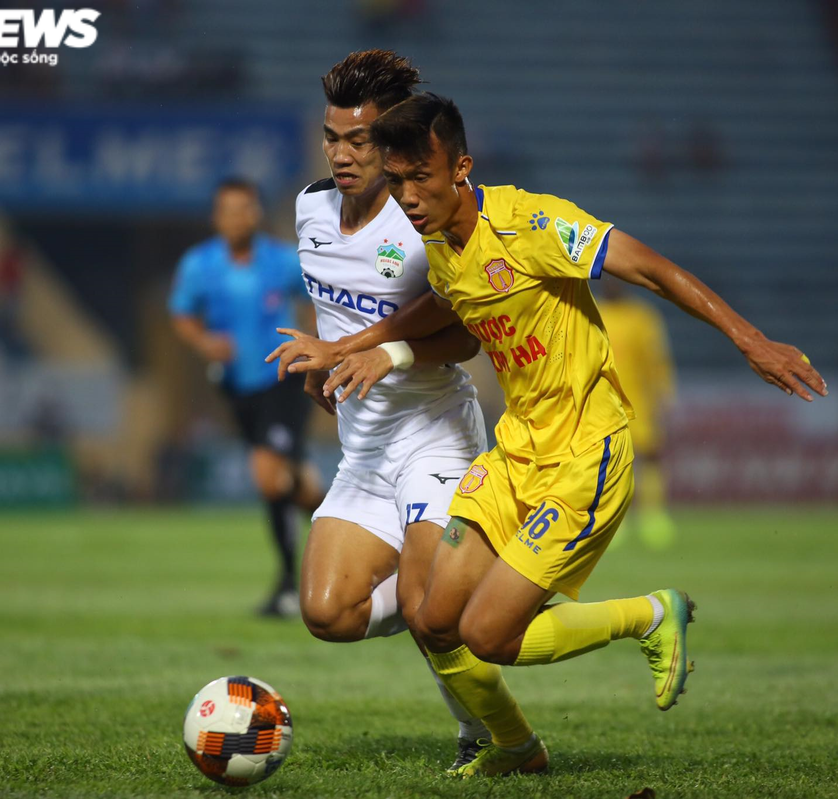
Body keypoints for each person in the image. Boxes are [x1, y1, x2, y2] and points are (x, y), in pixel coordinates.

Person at [271, 92, 828, 777]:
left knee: (487, 634)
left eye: (421, 178)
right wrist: (352, 348)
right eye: (399, 180)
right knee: (433, 620)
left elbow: (650, 268)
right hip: (515, 452)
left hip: (584, 456)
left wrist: (751, 339)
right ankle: (517, 749)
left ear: (462, 168)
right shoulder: (438, 243)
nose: (408, 197)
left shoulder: (534, 224)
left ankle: (650, 615)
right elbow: (442, 306)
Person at [266, 50, 494, 773]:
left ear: (392, 140)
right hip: (363, 450)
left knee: (429, 610)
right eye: (331, 138)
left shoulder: (422, 220)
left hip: (435, 436)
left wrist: (382, 354)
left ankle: (482, 728)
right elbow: (331, 301)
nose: (340, 154)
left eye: (358, 141)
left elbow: (466, 334)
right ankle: (456, 591)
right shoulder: (309, 209)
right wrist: (323, 363)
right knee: (327, 613)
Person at [169, 178, 324, 618]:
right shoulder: (200, 264)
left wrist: (314, 342)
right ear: (216, 217)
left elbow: (319, 297)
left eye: (245, 208)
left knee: (269, 477)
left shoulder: (282, 260)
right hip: (238, 387)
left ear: (257, 213)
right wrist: (204, 343)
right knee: (297, 484)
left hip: (282, 378)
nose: (237, 218)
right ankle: (341, 517)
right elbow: (181, 314)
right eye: (229, 210)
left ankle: (288, 586)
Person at [595, 289, 678, 550]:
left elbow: (656, 360)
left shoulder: (641, 316)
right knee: (610, 462)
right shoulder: (592, 310)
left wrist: (664, 393)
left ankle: (652, 517)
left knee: (650, 456)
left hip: (639, 400)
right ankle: (615, 522)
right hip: (602, 402)